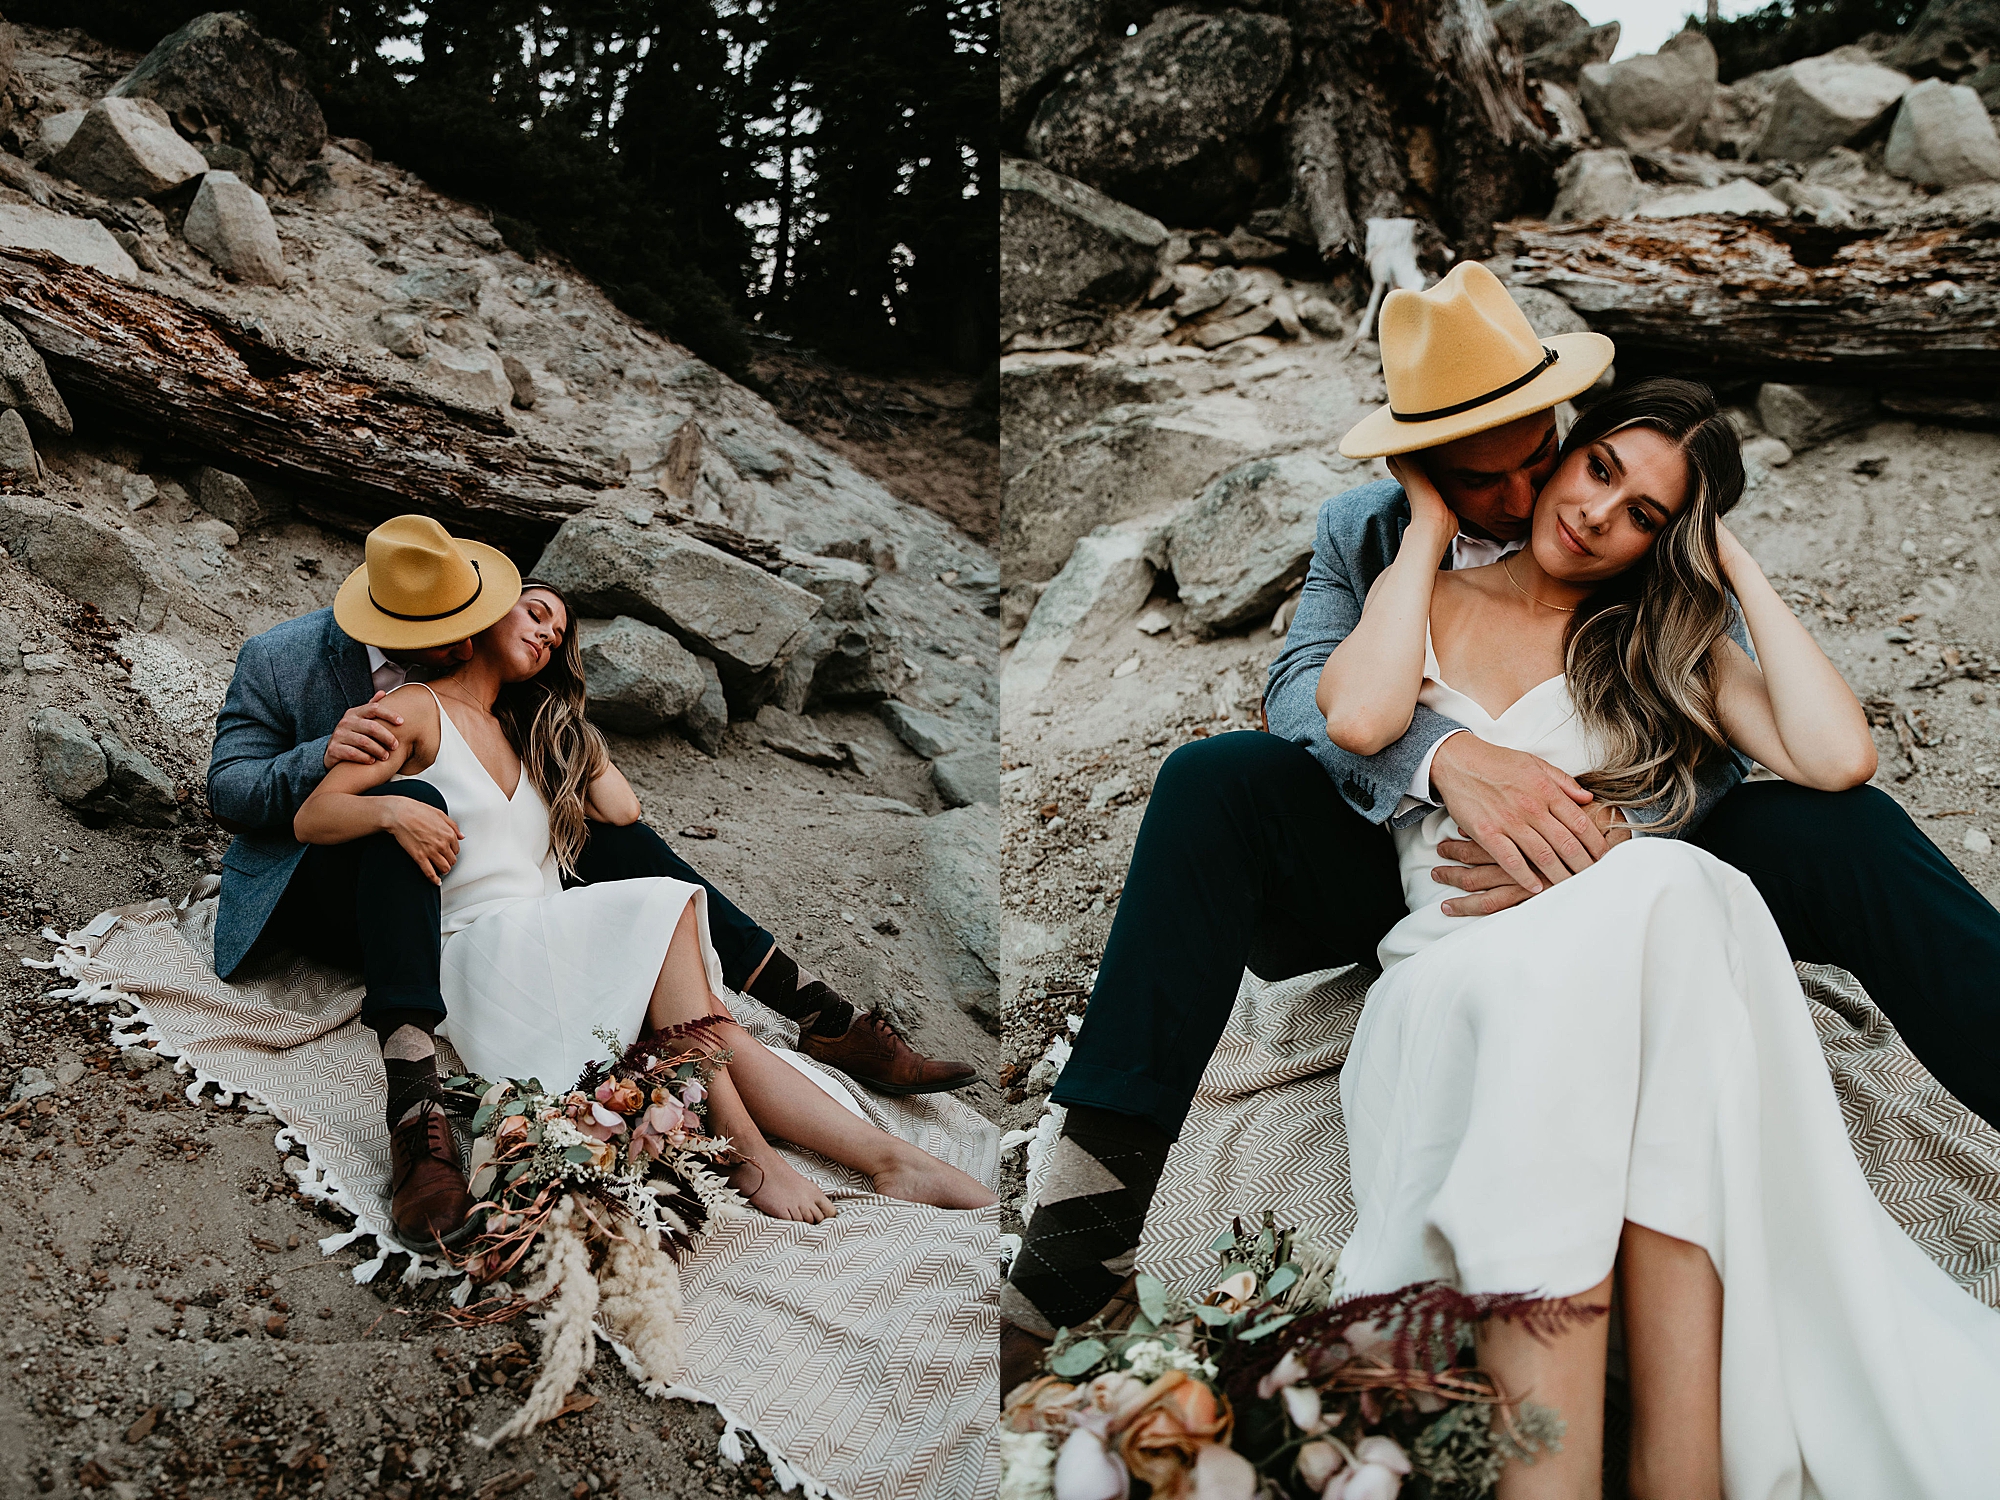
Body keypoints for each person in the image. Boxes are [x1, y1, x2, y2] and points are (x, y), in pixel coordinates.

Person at [999, 263, 2000, 1393]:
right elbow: (1300, 702)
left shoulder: (1642, 541)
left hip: (1636, 852)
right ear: (1419, 465)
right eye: (1489, 475)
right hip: (1407, 869)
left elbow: (1764, 744)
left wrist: (1614, 840)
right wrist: (1449, 760)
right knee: (1211, 779)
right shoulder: (1369, 532)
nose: (1539, 496)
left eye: (1546, 449)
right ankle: (1080, 1242)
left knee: (1850, 826)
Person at [1327, 379, 2000, 1496]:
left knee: (1673, 887)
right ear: (1563, 454)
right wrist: (1428, 523)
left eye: (1644, 513)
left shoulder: (1652, 641)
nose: (1599, 516)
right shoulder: (1422, 602)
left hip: (1624, 971)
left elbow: (1834, 760)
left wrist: (1731, 564)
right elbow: (1353, 719)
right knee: (1677, 887)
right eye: (1598, 472)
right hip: (1453, 978)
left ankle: (1659, 1469)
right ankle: (1664, 1469)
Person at [208, 515, 976, 1243]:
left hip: (535, 928)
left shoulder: (524, 728)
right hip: (423, 927)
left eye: (557, 629)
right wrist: (379, 804)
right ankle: (749, 1154)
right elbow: (283, 809)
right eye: (530, 615)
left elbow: (621, 813)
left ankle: (892, 1156)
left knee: (692, 986)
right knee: (664, 913)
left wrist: (564, 710)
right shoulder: (375, 695)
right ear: (478, 621)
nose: (545, 631)